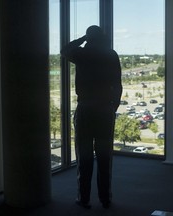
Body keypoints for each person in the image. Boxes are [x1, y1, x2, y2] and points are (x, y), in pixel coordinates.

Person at [61, 25, 122, 209]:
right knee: (105, 156)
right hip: (105, 109)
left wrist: (83, 38)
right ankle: (105, 198)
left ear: (89, 38)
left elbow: (65, 50)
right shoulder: (111, 55)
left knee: (84, 156)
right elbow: (118, 84)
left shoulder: (82, 54)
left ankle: (84, 198)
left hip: (86, 107)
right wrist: (113, 106)